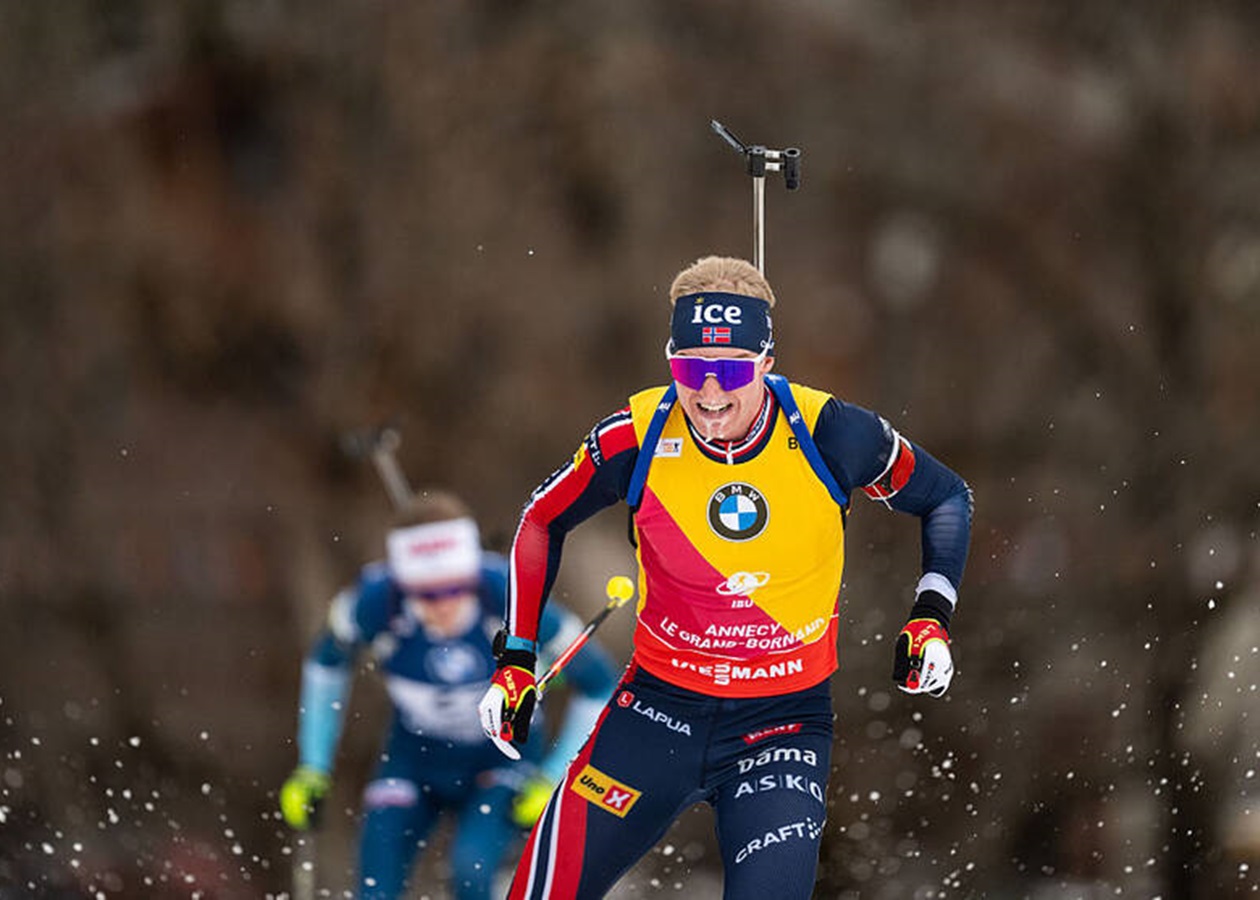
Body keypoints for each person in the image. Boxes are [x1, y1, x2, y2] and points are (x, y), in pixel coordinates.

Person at [477, 256, 973, 899]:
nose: (710, 394)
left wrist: (931, 616)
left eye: (733, 370)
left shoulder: (831, 433)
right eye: (691, 369)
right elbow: (541, 519)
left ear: (766, 362)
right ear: (670, 361)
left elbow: (946, 497)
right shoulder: (637, 436)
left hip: (782, 723)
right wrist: (516, 658)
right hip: (657, 711)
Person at [280, 489, 618, 900]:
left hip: (502, 760)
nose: (443, 605)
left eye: (456, 588)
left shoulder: (512, 595)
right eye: (426, 593)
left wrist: (554, 777)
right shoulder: (375, 602)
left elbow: (600, 685)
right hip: (415, 756)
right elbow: (325, 665)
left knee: (470, 870)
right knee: (375, 881)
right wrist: (313, 767)